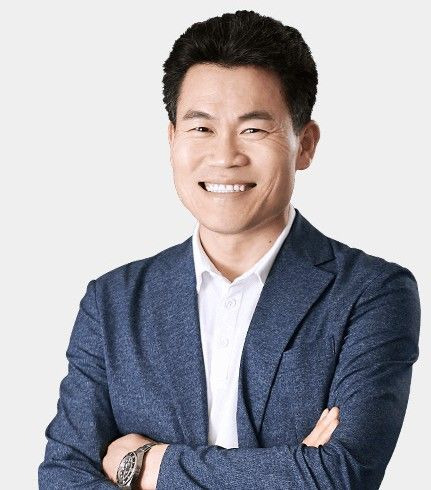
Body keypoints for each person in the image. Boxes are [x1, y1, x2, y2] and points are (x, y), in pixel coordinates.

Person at [38, 9, 421, 489]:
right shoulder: (112, 301)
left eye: (253, 129)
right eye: (201, 128)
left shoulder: (371, 293)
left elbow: (339, 476)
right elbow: (63, 475)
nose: (225, 156)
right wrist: (289, 469)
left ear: (305, 145)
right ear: (172, 139)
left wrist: (148, 466)